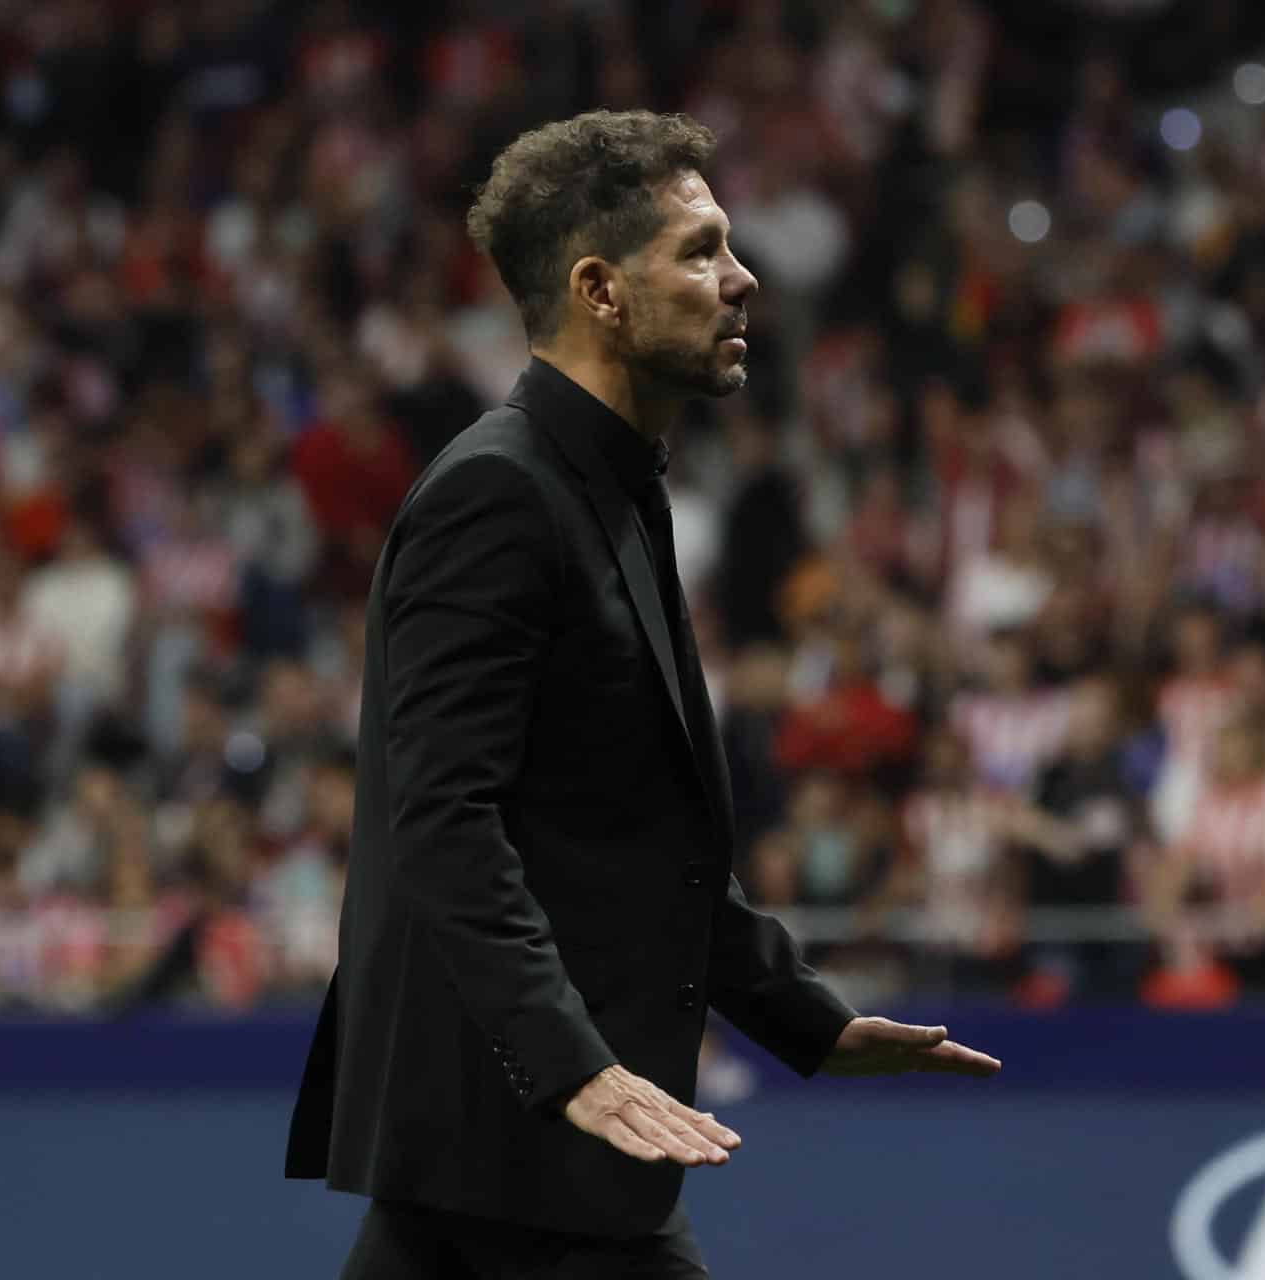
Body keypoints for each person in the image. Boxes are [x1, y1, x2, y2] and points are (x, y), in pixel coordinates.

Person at [283, 110, 1000, 1280]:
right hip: (518, 1141)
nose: (742, 277)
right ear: (601, 290)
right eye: (702, 249)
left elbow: (630, 834)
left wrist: (804, 1018)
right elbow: (443, 818)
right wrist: (574, 1064)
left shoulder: (613, 486)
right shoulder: (498, 497)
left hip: (528, 1165)